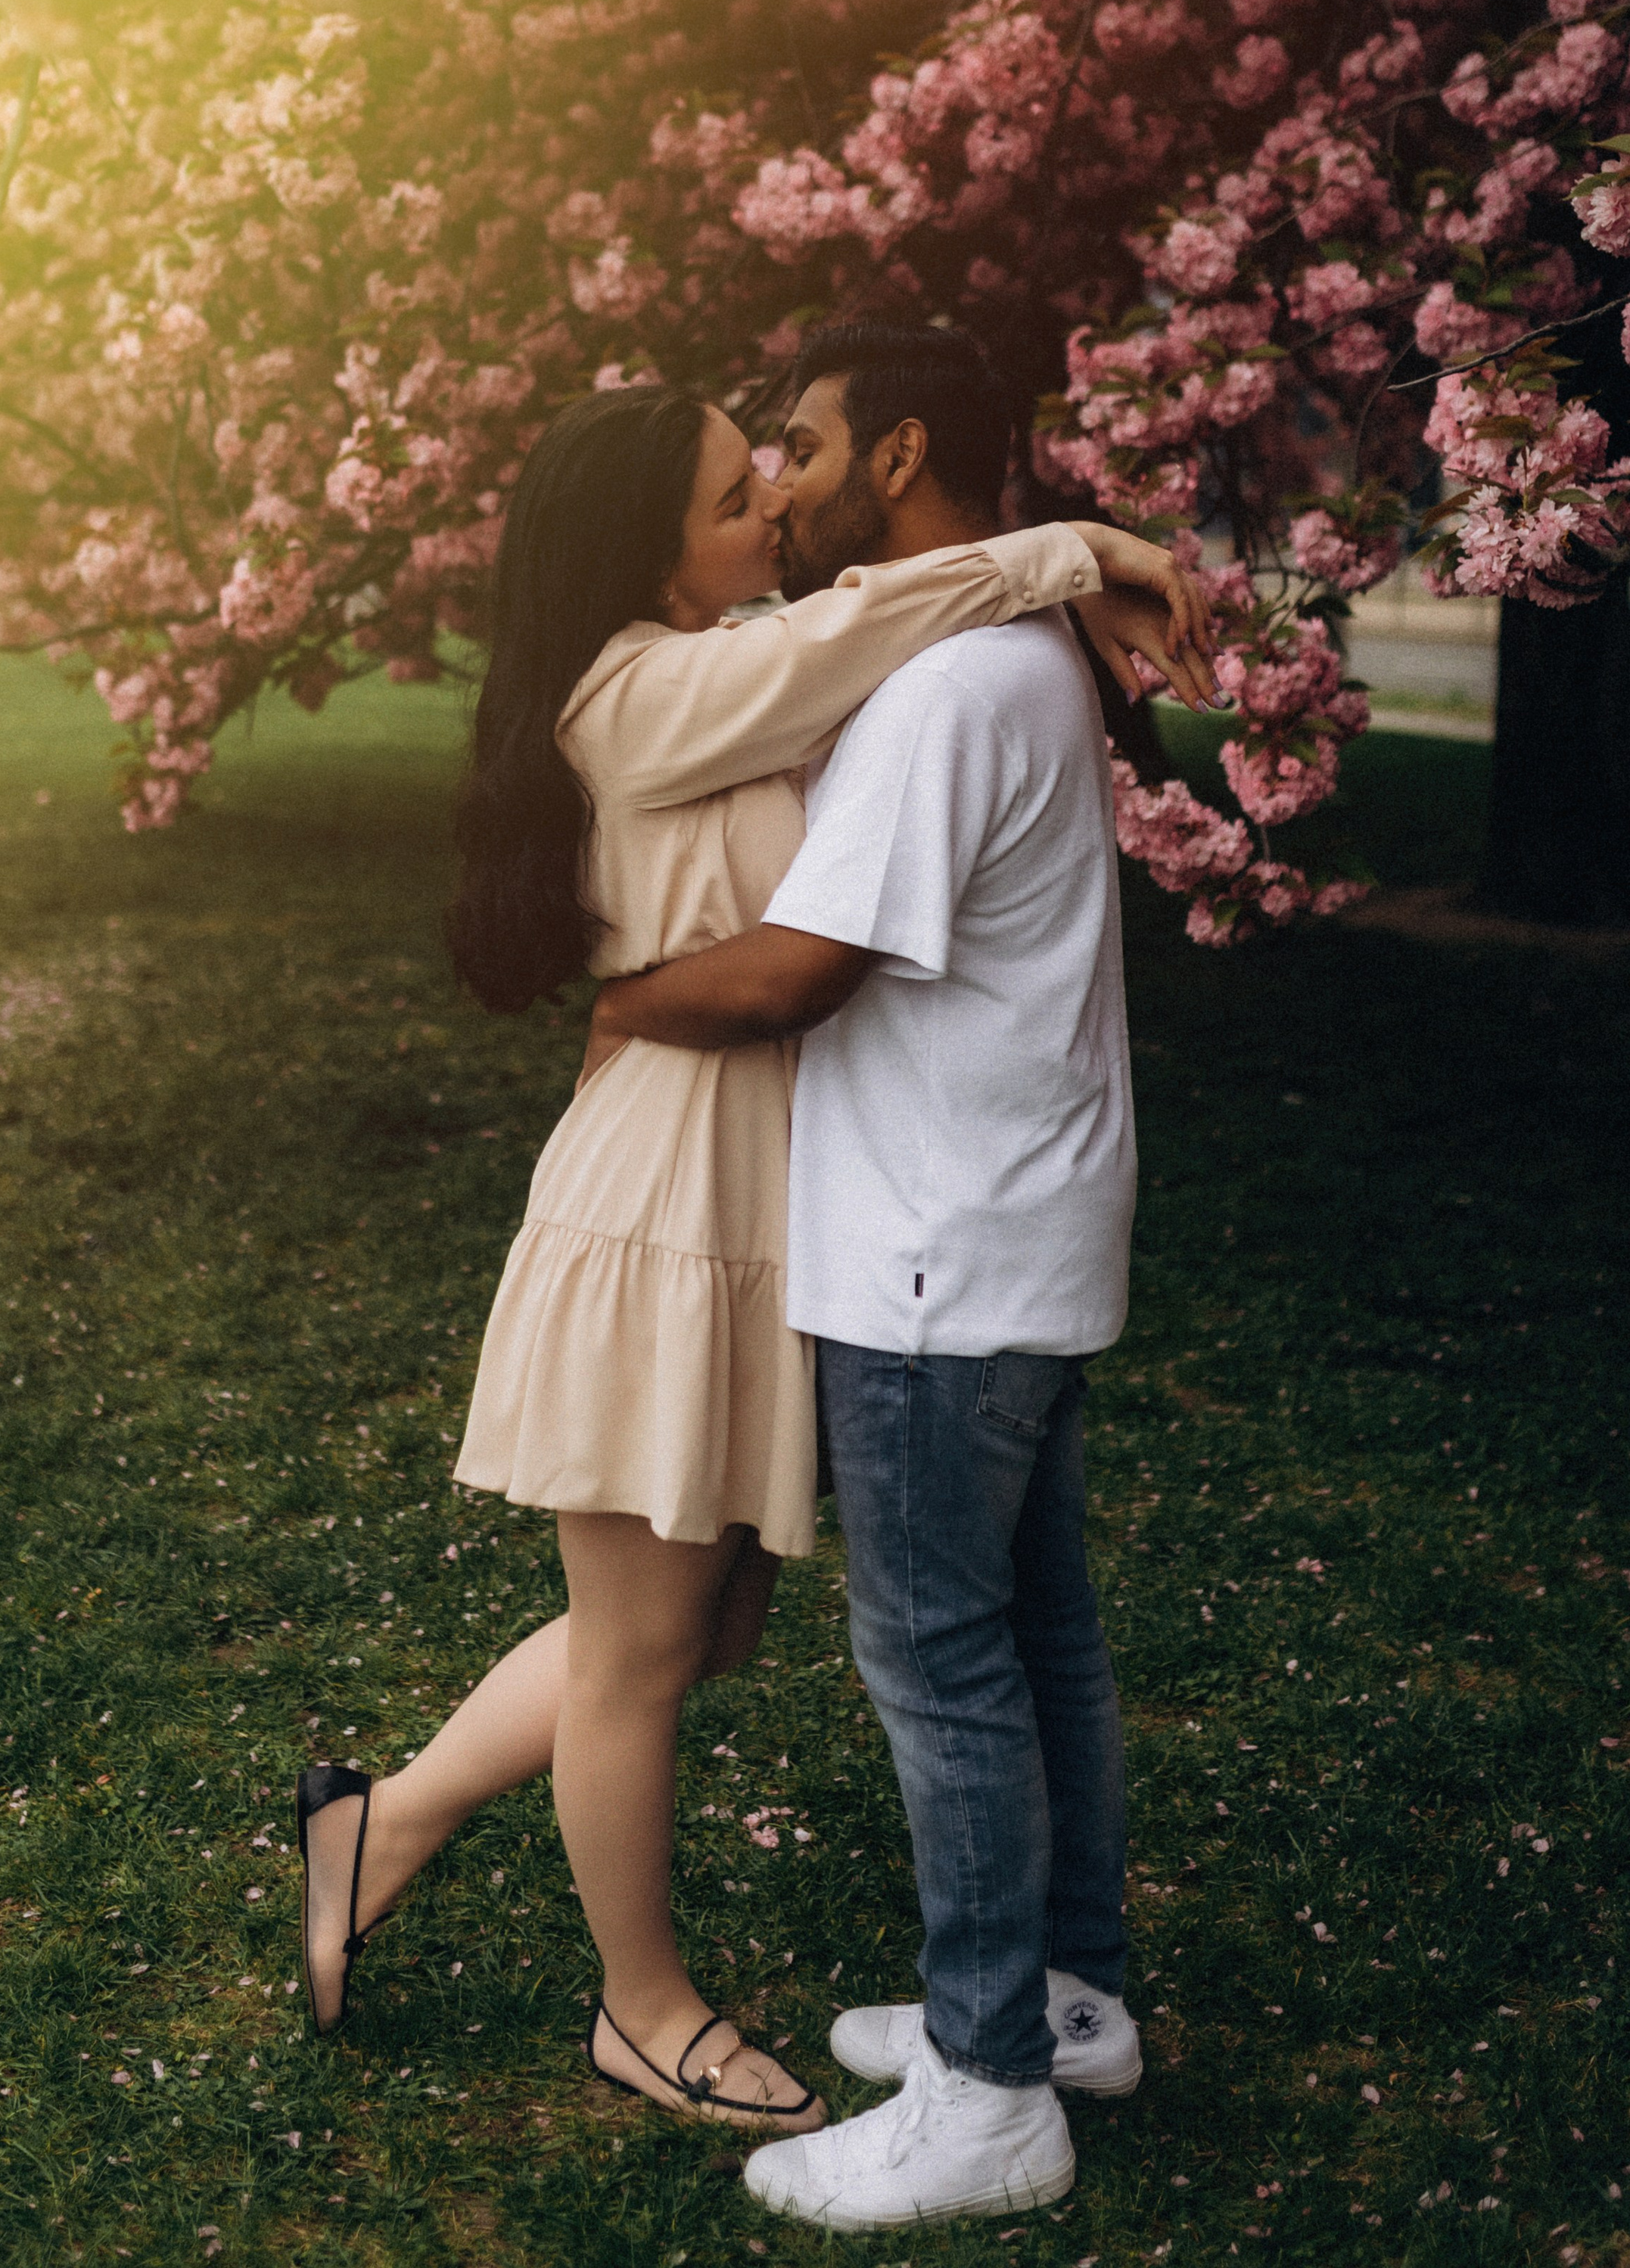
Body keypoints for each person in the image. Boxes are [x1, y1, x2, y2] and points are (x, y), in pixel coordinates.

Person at [294, 359, 1212, 2140]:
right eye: (736, 496)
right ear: (651, 546)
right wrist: (1067, 543)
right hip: (663, 1203)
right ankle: (642, 2011)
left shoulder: (732, 666)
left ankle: (382, 1818)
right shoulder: (638, 691)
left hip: (756, 1193)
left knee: (695, 1627)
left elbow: (852, 641)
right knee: (641, 1648)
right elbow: (847, 638)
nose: (774, 510)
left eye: (768, 476)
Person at [587, 320, 1153, 2227]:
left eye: (807, 449)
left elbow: (798, 968)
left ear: (900, 451)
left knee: (943, 1668)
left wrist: (616, 998)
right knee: (1040, 1636)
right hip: (1030, 1221)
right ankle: (1063, 1998)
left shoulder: (937, 694)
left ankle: (992, 2089)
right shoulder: (1022, 650)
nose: (789, 486)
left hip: (930, 1255)